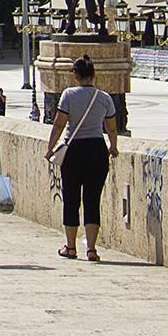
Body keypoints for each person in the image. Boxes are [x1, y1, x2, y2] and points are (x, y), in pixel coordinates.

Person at [45, 56, 117, 261]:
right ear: (94, 75)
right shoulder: (104, 97)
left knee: (71, 198)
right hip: (97, 149)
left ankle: (70, 246)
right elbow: (111, 127)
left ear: (75, 75)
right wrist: (113, 147)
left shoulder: (69, 95)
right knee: (92, 199)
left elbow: (59, 124)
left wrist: (50, 149)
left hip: (74, 150)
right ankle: (92, 249)